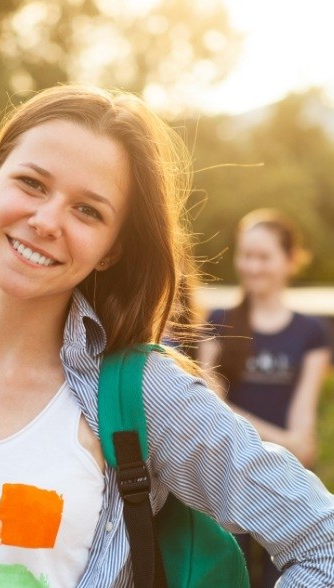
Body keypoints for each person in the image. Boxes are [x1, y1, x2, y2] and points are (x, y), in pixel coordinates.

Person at [0, 86, 334, 587]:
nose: (46, 220)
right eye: (32, 183)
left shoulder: (143, 393)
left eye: (88, 210)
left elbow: (322, 541)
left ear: (111, 249)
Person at [198, 208, 331, 588]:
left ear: (290, 261)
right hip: (227, 483)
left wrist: (290, 443)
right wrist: (285, 441)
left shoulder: (311, 332)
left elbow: (303, 438)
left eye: (264, 257)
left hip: (286, 485)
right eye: (246, 255)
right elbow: (209, 406)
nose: (252, 266)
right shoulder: (219, 320)